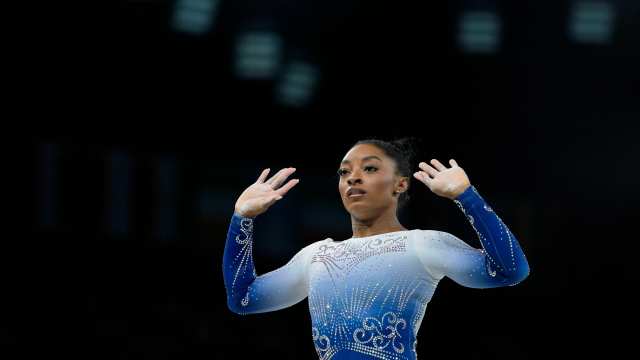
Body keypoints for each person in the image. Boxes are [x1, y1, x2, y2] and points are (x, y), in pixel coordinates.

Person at [222, 138, 530, 360]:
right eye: (344, 172)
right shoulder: (316, 256)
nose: (353, 177)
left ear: (400, 184)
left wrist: (467, 196)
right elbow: (244, 299)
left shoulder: (423, 244)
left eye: (369, 168)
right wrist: (242, 219)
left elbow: (508, 271)